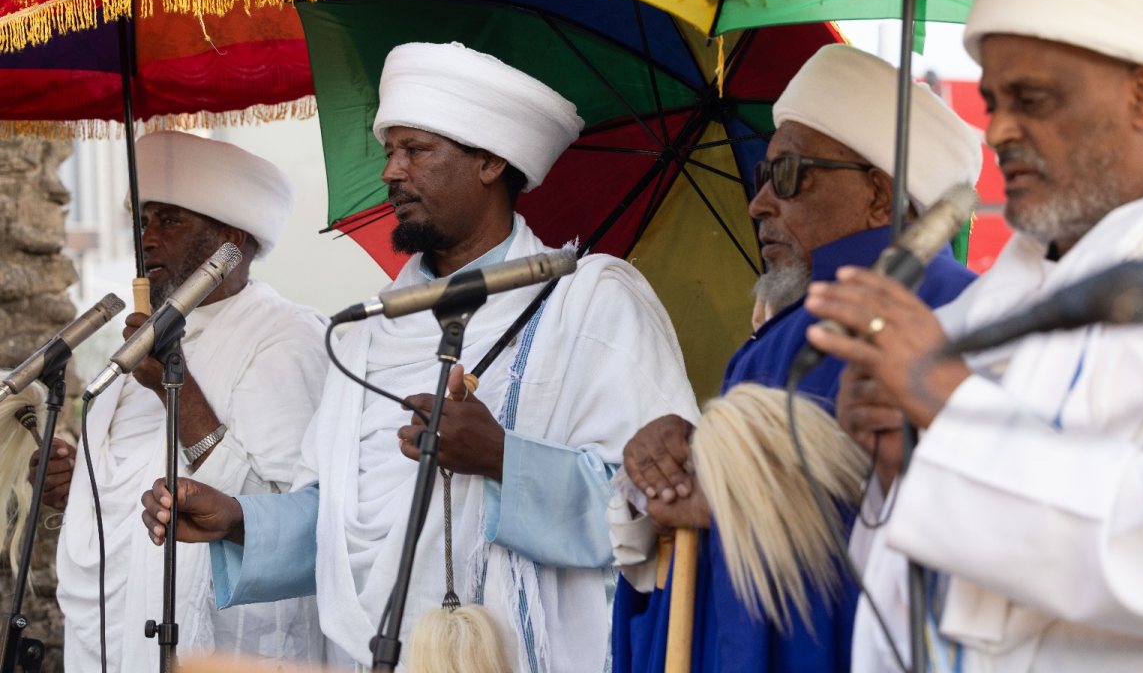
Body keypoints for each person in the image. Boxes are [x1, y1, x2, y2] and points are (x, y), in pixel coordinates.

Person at [140, 42, 700, 672]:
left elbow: (656, 506)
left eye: (416, 150)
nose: (391, 173)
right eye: (389, 152)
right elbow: (340, 522)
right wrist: (240, 520)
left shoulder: (592, 301)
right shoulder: (366, 330)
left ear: (490, 161)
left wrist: (500, 458)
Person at [804, 0, 1143, 672]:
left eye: (1034, 101)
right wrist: (896, 456)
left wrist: (954, 409)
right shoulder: (1002, 290)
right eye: (994, 102)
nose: (998, 132)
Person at [610, 44, 982, 672]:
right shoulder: (792, 324)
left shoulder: (950, 311)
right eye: (763, 177)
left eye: (788, 175)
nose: (759, 205)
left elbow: (960, 521)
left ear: (878, 194)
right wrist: (670, 465)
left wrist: (734, 485)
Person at [31, 131, 329, 672]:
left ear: (231, 240)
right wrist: (79, 487)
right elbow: (130, 490)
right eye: (141, 222)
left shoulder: (287, 337)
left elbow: (291, 517)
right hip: (110, 640)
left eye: (169, 221)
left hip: (225, 647)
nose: (146, 240)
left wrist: (177, 390)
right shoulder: (146, 339)